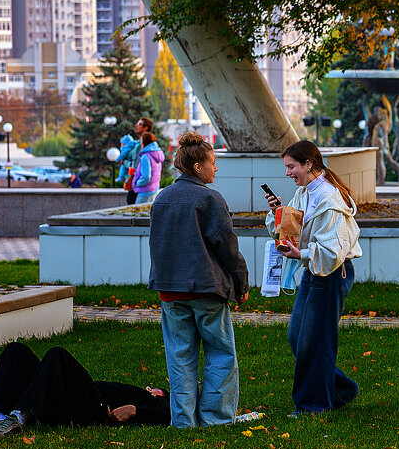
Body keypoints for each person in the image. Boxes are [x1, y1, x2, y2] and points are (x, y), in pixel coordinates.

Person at [148, 131, 251, 428]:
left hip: (170, 291)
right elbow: (228, 247)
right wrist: (241, 284)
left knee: (180, 358)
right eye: (212, 163)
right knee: (220, 354)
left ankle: (183, 421)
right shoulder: (210, 199)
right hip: (206, 289)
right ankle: (216, 419)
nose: (215, 168)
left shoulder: (162, 198)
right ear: (197, 167)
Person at [265, 140, 363, 415]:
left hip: (332, 273)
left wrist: (302, 254)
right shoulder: (305, 192)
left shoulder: (329, 199)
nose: (287, 173)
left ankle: (313, 405)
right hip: (314, 270)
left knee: (315, 340)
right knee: (298, 336)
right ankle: (340, 390)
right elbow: (292, 229)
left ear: (308, 164)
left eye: (291, 167)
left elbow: (333, 251)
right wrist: (277, 212)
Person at [0, 341, 171, 437]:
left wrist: (135, 410)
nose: (150, 388)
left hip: (96, 408)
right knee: (16, 351)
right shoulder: (139, 392)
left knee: (58, 355)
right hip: (67, 399)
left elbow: (170, 415)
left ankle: (18, 417)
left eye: (155, 390)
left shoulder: (158, 400)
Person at [125, 117, 154, 204]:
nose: (136, 126)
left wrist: (124, 162)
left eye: (139, 124)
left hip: (141, 187)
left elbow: (138, 165)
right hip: (138, 184)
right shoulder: (138, 143)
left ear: (146, 128)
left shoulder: (145, 146)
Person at [131, 131, 165, 203]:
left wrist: (137, 183)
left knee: (138, 210)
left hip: (145, 191)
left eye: (141, 141)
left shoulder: (146, 156)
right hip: (155, 189)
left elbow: (146, 177)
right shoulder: (157, 154)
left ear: (144, 142)